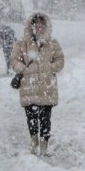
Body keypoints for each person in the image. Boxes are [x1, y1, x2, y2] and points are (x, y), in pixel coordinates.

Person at [9, 12, 65, 156]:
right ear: (31, 26)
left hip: (46, 86)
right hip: (29, 86)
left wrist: (50, 68)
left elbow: (60, 60)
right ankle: (34, 142)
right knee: (31, 118)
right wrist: (23, 69)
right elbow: (14, 60)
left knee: (46, 119)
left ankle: (44, 146)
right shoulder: (22, 43)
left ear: (46, 26)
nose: (39, 27)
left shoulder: (52, 43)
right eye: (36, 24)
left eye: (41, 24)